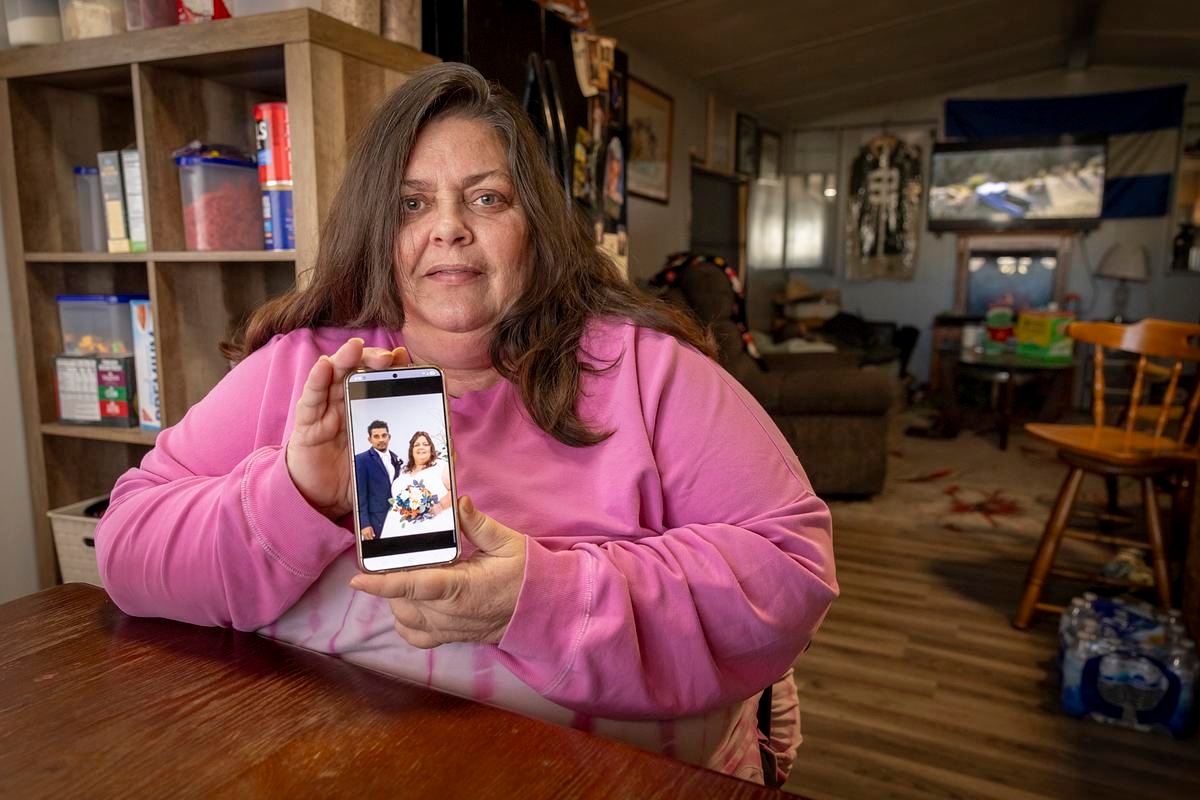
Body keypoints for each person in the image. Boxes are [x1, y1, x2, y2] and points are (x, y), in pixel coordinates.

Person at [94, 62, 837, 786]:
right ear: (376, 228)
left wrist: (541, 600)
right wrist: (295, 495)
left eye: (486, 198)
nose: (448, 228)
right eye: (411, 204)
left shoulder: (648, 370)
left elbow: (791, 570)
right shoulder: (302, 369)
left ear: (535, 225)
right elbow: (126, 546)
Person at [379, 430, 452, 538]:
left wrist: (441, 505)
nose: (421, 447)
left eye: (425, 444)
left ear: (431, 449)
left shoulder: (441, 466)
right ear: (411, 450)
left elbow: (455, 491)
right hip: (401, 529)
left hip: (435, 526)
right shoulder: (403, 472)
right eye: (416, 445)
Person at [354, 420, 403, 540]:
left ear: (389, 437)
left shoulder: (396, 458)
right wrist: (364, 523)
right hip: (375, 519)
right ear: (369, 439)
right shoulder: (361, 460)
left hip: (396, 516)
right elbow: (360, 494)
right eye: (376, 436)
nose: (381, 439)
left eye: (384, 435)